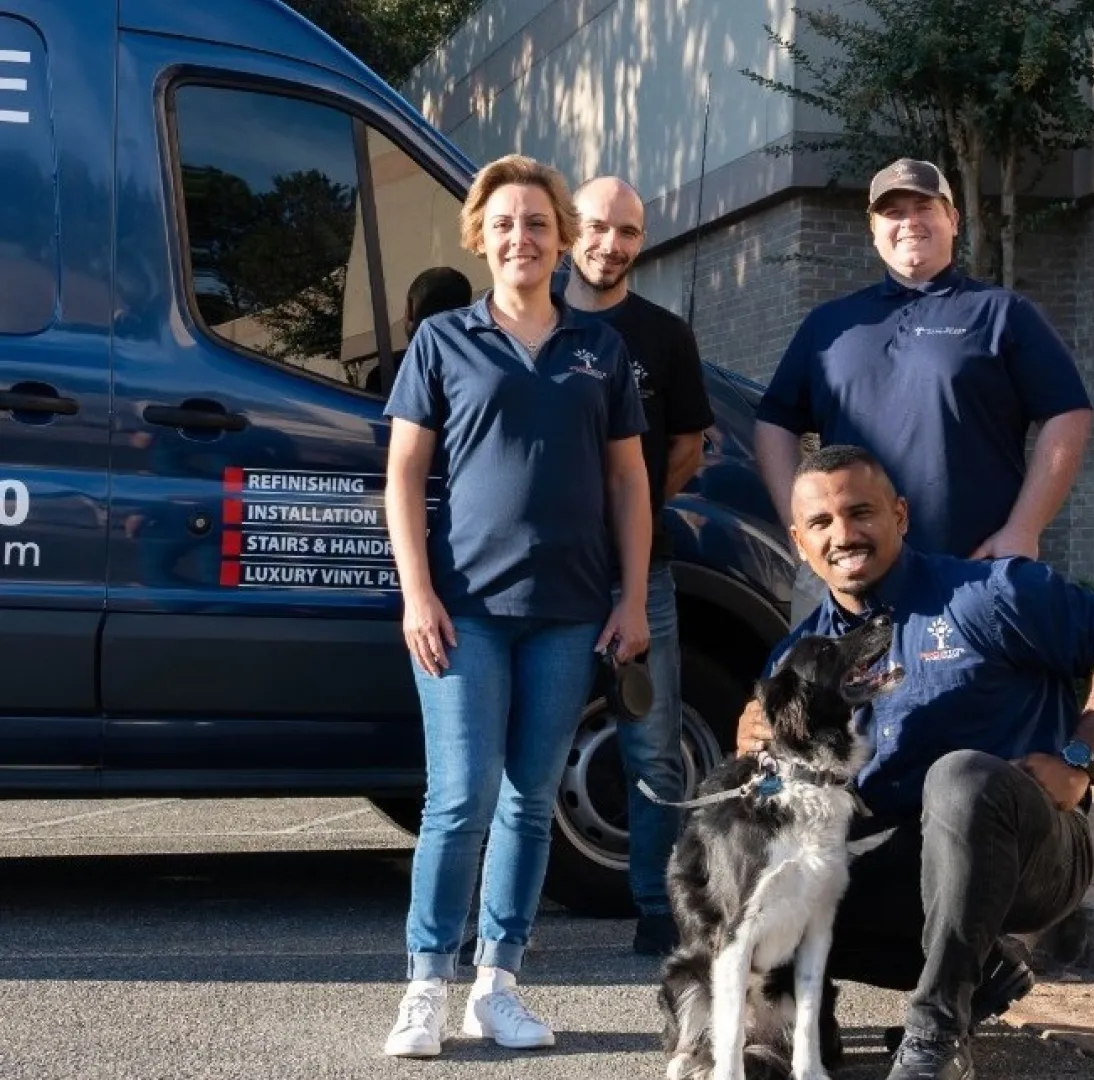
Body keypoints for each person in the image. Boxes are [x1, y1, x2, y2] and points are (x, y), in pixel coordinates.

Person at [734, 445, 1094, 1080]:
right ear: (800, 543)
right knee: (749, 852)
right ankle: (804, 1023)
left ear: (900, 516)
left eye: (861, 512)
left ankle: (937, 1031)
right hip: (904, 868)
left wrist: (1079, 758)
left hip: (1030, 852)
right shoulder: (798, 658)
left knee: (958, 776)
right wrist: (753, 743)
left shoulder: (986, 593)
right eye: (821, 524)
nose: (844, 535)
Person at [380, 155, 653, 1057]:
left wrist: (635, 598)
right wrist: (417, 594)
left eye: (538, 222)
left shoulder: (599, 351)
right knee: (459, 797)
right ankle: (426, 983)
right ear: (480, 235)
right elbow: (404, 476)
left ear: (560, 237)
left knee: (532, 800)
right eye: (504, 223)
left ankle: (497, 983)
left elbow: (629, 483)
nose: (521, 237)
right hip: (463, 609)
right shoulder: (442, 341)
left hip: (571, 610)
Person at [753, 158, 1093, 625]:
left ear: (952, 220)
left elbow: (1068, 413)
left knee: (976, 700)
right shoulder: (830, 326)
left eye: (924, 207)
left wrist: (1024, 528)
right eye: (892, 213)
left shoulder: (1000, 313)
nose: (909, 222)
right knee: (842, 700)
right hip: (850, 579)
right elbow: (774, 422)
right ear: (873, 229)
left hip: (971, 574)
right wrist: (806, 535)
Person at [561, 175, 716, 957]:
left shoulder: (664, 335)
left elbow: (688, 446)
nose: (610, 244)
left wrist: (636, 514)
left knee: (653, 743)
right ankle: (498, 921)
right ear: (568, 230)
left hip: (639, 576)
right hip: (545, 577)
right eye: (595, 227)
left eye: (626, 232)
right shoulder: (536, 321)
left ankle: (660, 906)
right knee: (528, 742)